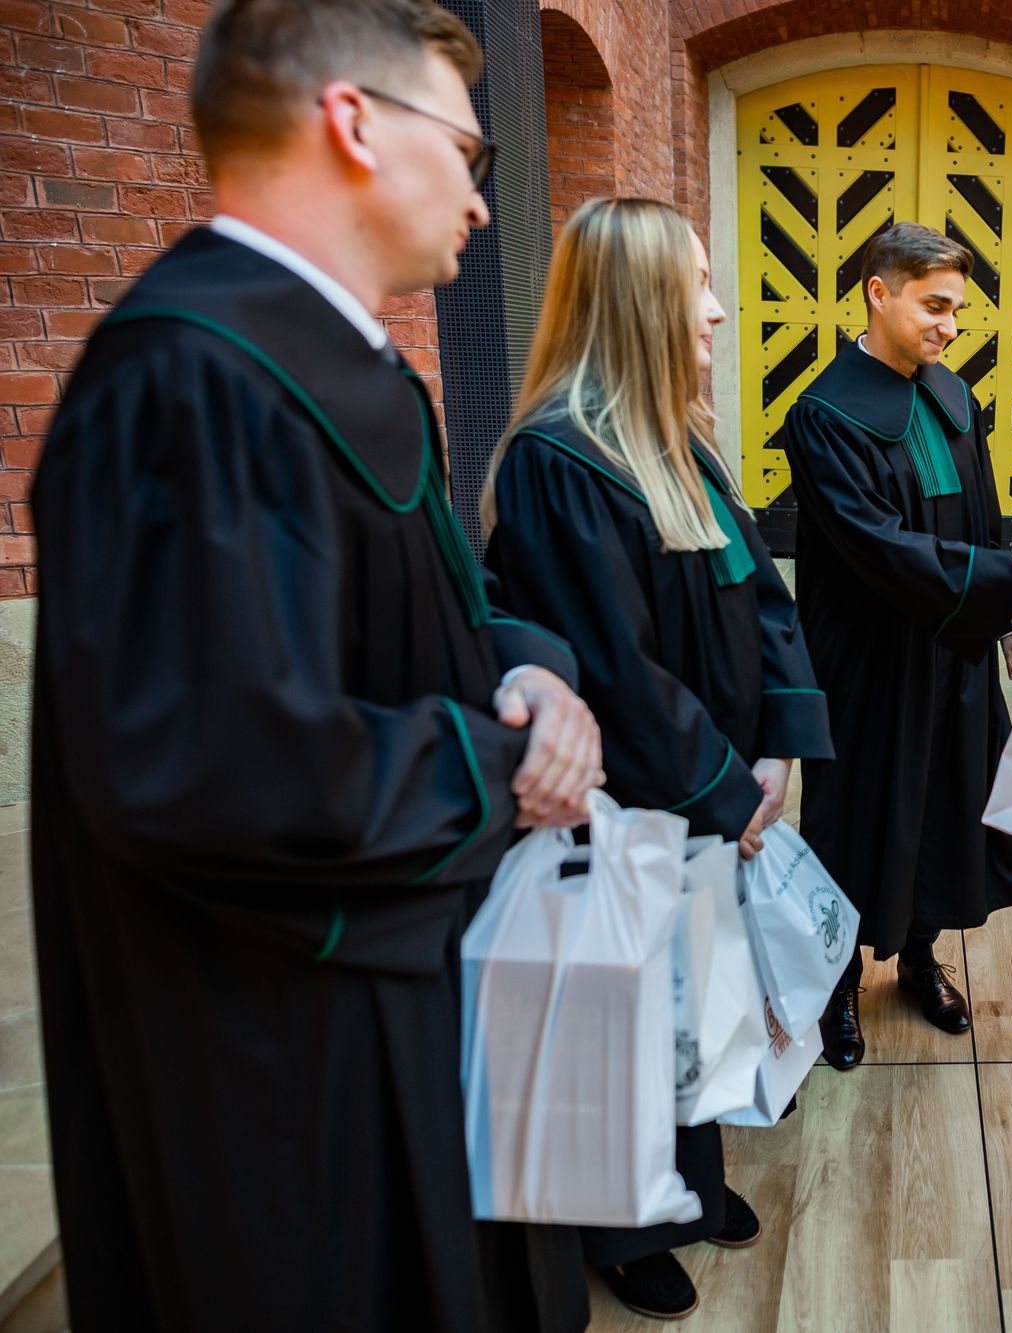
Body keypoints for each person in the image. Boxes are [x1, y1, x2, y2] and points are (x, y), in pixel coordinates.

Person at [29, 3, 606, 1330]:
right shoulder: (186, 379)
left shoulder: (347, 364)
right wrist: (501, 765)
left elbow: (427, 613)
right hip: (286, 1040)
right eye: (466, 149)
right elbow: (212, 766)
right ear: (352, 120)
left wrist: (528, 674)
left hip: (412, 962)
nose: (481, 197)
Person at [481, 198, 830, 1321]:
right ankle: (626, 1227)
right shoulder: (560, 460)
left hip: (709, 792)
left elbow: (764, 601)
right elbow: (616, 672)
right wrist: (726, 787)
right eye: (695, 286)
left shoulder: (680, 444)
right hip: (634, 801)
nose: (717, 310)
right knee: (627, 1016)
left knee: (693, 994)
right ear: (636, 302)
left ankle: (691, 1181)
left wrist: (777, 747)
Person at [779, 222, 1012, 1070]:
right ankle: (836, 983)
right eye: (935, 306)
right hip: (868, 660)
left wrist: (1006, 622)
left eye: (957, 311)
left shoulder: (952, 396)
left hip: (954, 648)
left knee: (945, 807)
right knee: (856, 821)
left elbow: (982, 518)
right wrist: (1010, 585)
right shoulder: (823, 414)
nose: (950, 326)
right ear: (879, 292)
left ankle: (917, 956)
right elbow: (877, 547)